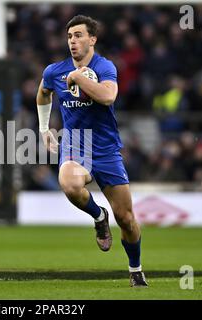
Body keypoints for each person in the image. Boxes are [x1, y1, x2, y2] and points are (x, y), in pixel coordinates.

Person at [36, 15, 148, 287]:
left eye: (78, 35)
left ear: (92, 39)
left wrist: (79, 78)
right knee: (69, 183)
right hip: (77, 145)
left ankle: (135, 269)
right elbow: (43, 94)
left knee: (127, 219)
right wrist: (43, 128)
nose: (72, 41)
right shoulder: (55, 71)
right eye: (69, 37)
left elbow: (108, 96)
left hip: (106, 149)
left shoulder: (105, 66)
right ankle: (99, 217)